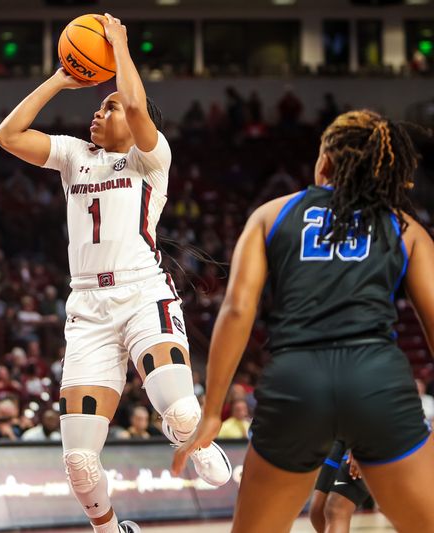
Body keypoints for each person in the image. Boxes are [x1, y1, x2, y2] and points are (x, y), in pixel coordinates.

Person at [0, 13, 230, 533]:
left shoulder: (152, 160)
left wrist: (119, 46)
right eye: (99, 106)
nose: (97, 113)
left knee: (181, 415)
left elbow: (137, 104)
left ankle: (197, 437)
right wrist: (62, 77)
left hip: (143, 295)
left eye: (108, 106)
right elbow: (7, 134)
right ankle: (111, 529)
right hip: (87, 311)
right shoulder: (75, 155)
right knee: (78, 463)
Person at [172, 110, 434, 533]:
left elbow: (238, 311)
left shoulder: (270, 215)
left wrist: (213, 411)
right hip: (376, 381)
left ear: (325, 161)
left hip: (297, 382)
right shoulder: (405, 229)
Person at [308, 441, 371, 533]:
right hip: (341, 437)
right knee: (317, 512)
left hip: (368, 437)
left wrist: (361, 446)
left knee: (336, 509)